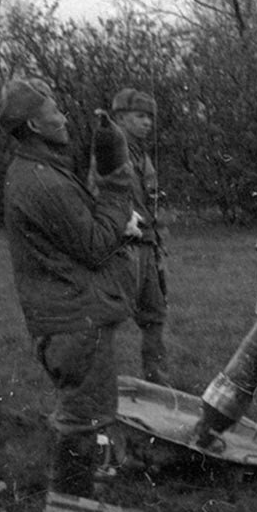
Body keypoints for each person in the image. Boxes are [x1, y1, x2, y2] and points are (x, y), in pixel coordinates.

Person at [0, 77, 138, 498]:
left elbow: (81, 230)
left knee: (85, 416)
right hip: (75, 320)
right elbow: (94, 244)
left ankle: (76, 509)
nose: (62, 116)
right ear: (36, 127)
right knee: (81, 421)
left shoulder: (39, 171)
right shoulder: (43, 181)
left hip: (68, 315)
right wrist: (115, 182)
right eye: (54, 111)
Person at [104, 88, 170, 386]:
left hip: (147, 244)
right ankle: (99, 384)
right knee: (110, 317)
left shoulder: (141, 154)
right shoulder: (109, 150)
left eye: (149, 118)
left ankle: (157, 383)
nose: (147, 123)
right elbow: (102, 196)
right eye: (140, 117)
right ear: (120, 118)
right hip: (123, 245)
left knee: (154, 315)